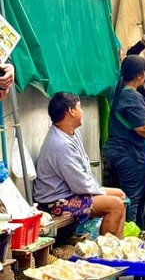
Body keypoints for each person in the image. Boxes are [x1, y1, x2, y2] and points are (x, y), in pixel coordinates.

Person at [34, 93, 126, 237]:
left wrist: (99, 190)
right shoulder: (60, 144)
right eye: (79, 107)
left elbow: (83, 173)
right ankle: (106, 250)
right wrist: (99, 191)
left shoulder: (72, 133)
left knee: (121, 195)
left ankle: (118, 246)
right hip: (55, 202)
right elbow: (80, 184)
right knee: (116, 205)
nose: (81, 112)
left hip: (72, 192)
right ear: (71, 111)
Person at [103, 56, 145, 229]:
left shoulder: (119, 91)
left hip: (118, 151)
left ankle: (136, 231)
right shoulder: (132, 97)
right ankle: (130, 235)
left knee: (134, 195)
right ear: (139, 75)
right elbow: (142, 128)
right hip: (128, 153)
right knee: (133, 197)